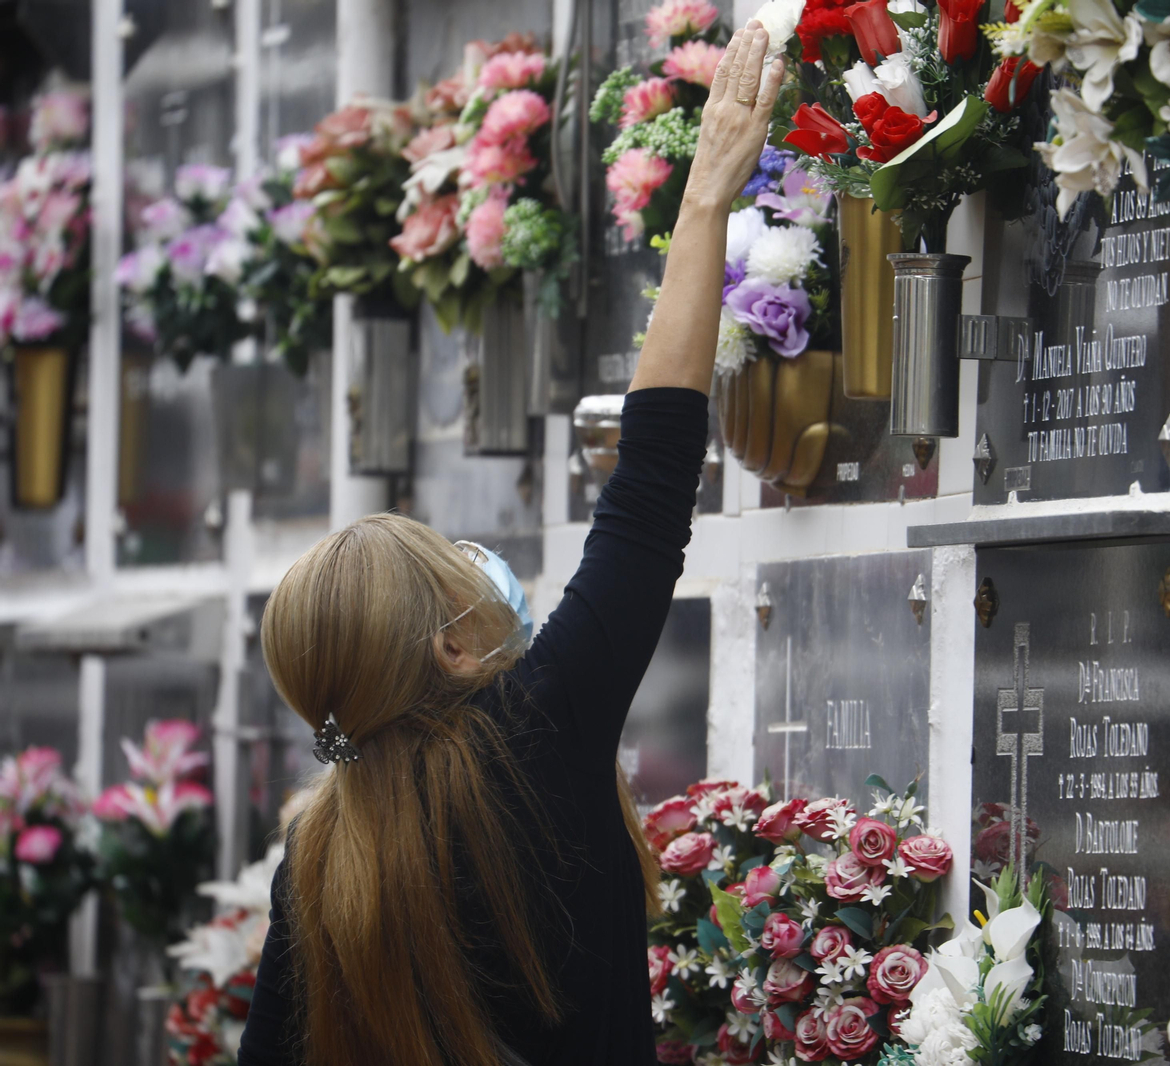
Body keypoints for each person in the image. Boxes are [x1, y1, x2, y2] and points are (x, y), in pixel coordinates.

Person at [237, 25, 784, 1066]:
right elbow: (652, 474)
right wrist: (706, 193)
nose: (477, 556)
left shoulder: (318, 850)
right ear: (448, 647)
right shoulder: (534, 730)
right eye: (453, 556)